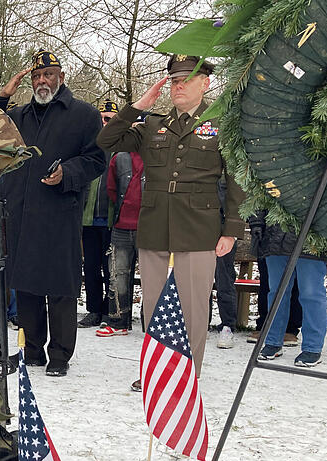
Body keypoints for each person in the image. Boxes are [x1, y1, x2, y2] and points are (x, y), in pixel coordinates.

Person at [97, 55, 246, 390]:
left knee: (193, 305)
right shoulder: (152, 124)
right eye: (174, 80)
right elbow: (106, 141)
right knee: (153, 303)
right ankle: (156, 372)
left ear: (205, 83)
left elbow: (237, 179)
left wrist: (232, 229)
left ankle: (187, 376)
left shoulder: (221, 123)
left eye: (187, 80)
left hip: (199, 225)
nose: (178, 86)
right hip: (154, 224)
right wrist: (137, 106)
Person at [0, 50, 105, 376]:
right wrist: (2, 96)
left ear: (61, 77)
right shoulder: (19, 115)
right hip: (21, 215)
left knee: (59, 287)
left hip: (59, 214)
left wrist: (67, 173)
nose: (42, 81)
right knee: (25, 286)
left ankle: (59, 354)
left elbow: (97, 159)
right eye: (37, 76)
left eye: (48, 75)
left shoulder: (83, 115)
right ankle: (32, 350)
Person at [251, 210, 327, 367]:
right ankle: (272, 341)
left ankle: (313, 347)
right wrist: (256, 222)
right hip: (276, 238)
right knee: (276, 292)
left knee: (311, 294)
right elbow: (259, 195)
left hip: (313, 238)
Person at [96, 115, 146, 337]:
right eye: (134, 127)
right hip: (121, 225)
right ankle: (118, 321)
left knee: (152, 277)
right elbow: (112, 190)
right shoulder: (119, 157)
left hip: (150, 228)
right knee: (117, 275)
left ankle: (152, 324)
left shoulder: (157, 156)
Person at [78, 100, 117, 328]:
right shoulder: (88, 148)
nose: (105, 122)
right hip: (88, 220)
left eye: (110, 119)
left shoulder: (124, 148)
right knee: (91, 267)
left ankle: (110, 311)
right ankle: (93, 310)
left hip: (114, 221)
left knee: (111, 268)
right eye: (102, 118)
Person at [211, 179, 239, 348]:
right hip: (197, 229)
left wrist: (230, 232)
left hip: (222, 232)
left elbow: (235, 200)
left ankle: (227, 325)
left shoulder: (228, 171)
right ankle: (198, 322)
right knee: (197, 280)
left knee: (224, 280)